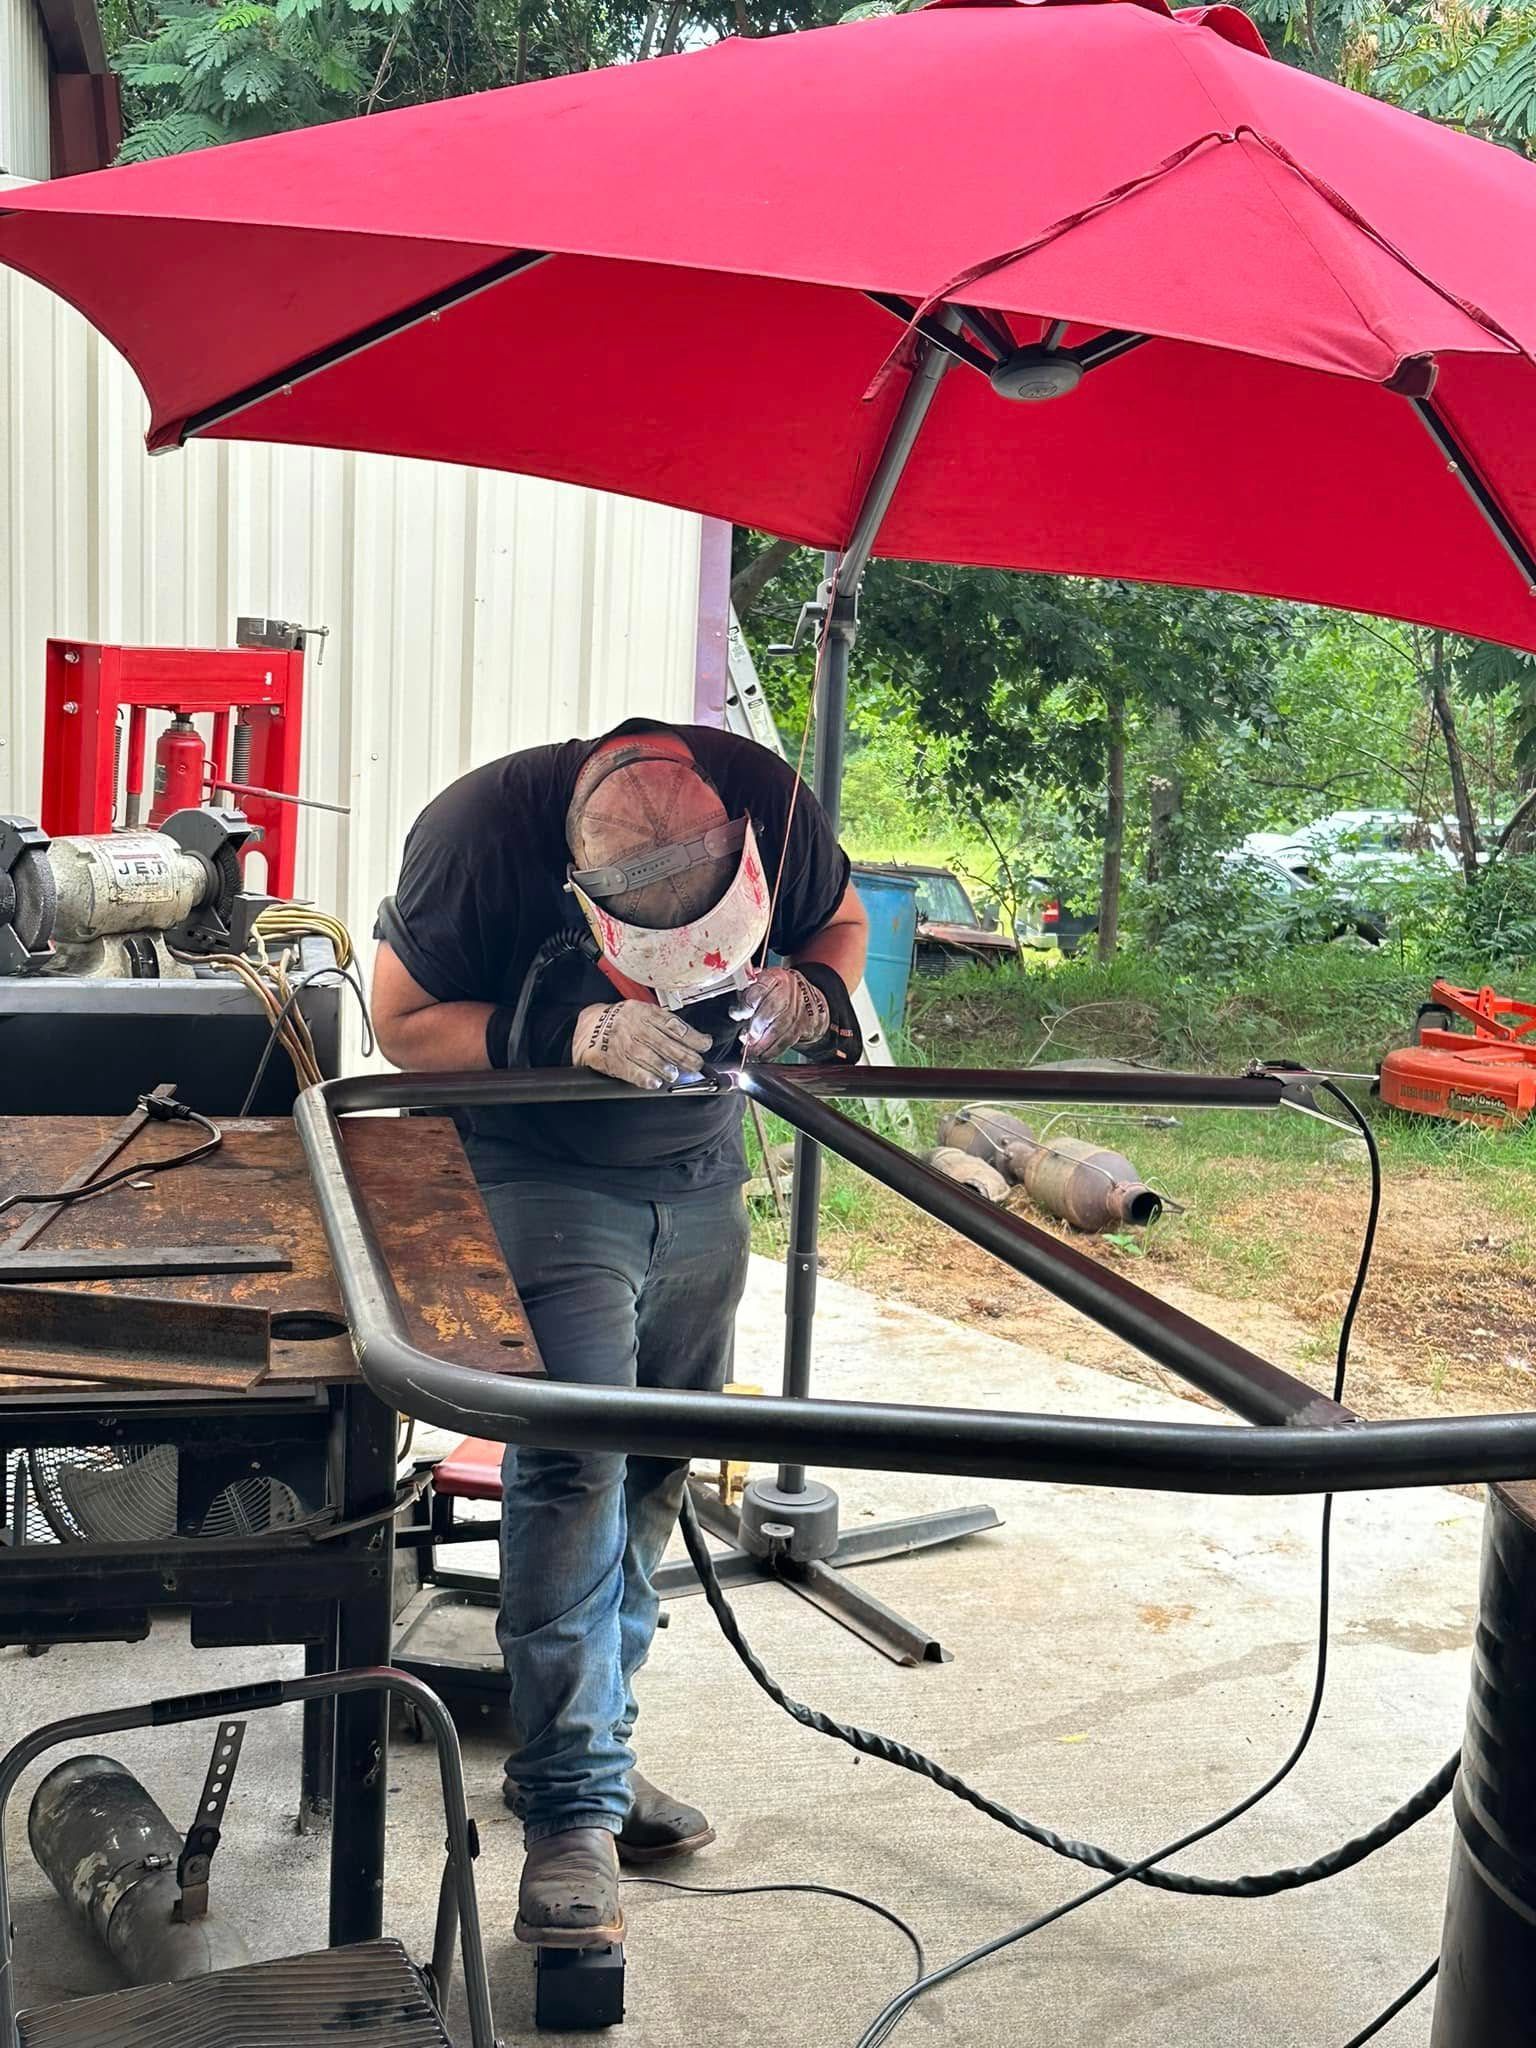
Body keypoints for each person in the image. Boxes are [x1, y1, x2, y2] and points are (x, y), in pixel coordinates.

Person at [372, 718, 868, 1949]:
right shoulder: (474, 834)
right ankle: (568, 1814)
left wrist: (813, 987)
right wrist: (568, 1031)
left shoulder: (775, 800)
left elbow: (844, 922)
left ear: (739, 845)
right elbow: (401, 1019)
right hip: (544, 1167)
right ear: (580, 892)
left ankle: (591, 1746)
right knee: (579, 1463)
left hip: (699, 1172)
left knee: (657, 1466)